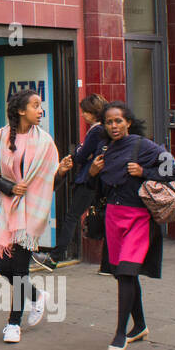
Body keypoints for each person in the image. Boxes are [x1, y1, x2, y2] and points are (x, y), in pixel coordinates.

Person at [88, 101, 175, 350]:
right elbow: (89, 185)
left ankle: (120, 333)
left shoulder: (143, 146)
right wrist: (93, 172)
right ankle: (139, 325)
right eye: (109, 122)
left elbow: (172, 170)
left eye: (118, 121)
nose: (114, 126)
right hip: (113, 217)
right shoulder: (103, 147)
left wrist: (143, 171)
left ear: (128, 122)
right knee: (123, 274)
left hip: (138, 217)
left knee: (127, 272)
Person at [0, 88, 71, 343]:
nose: (40, 110)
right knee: (2, 265)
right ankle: (37, 296)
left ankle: (13, 323)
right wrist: (10, 187)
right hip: (8, 209)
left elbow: (49, 183)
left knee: (20, 269)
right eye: (35, 106)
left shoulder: (45, 142)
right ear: (21, 110)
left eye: (40, 105)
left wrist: (62, 172)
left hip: (32, 213)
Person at [38, 92, 107, 270]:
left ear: (94, 112)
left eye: (85, 111)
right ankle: (108, 264)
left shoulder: (96, 130)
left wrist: (77, 151)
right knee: (104, 217)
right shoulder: (103, 130)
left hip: (87, 181)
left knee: (71, 218)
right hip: (98, 181)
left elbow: (82, 155)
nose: (82, 115)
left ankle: (53, 258)